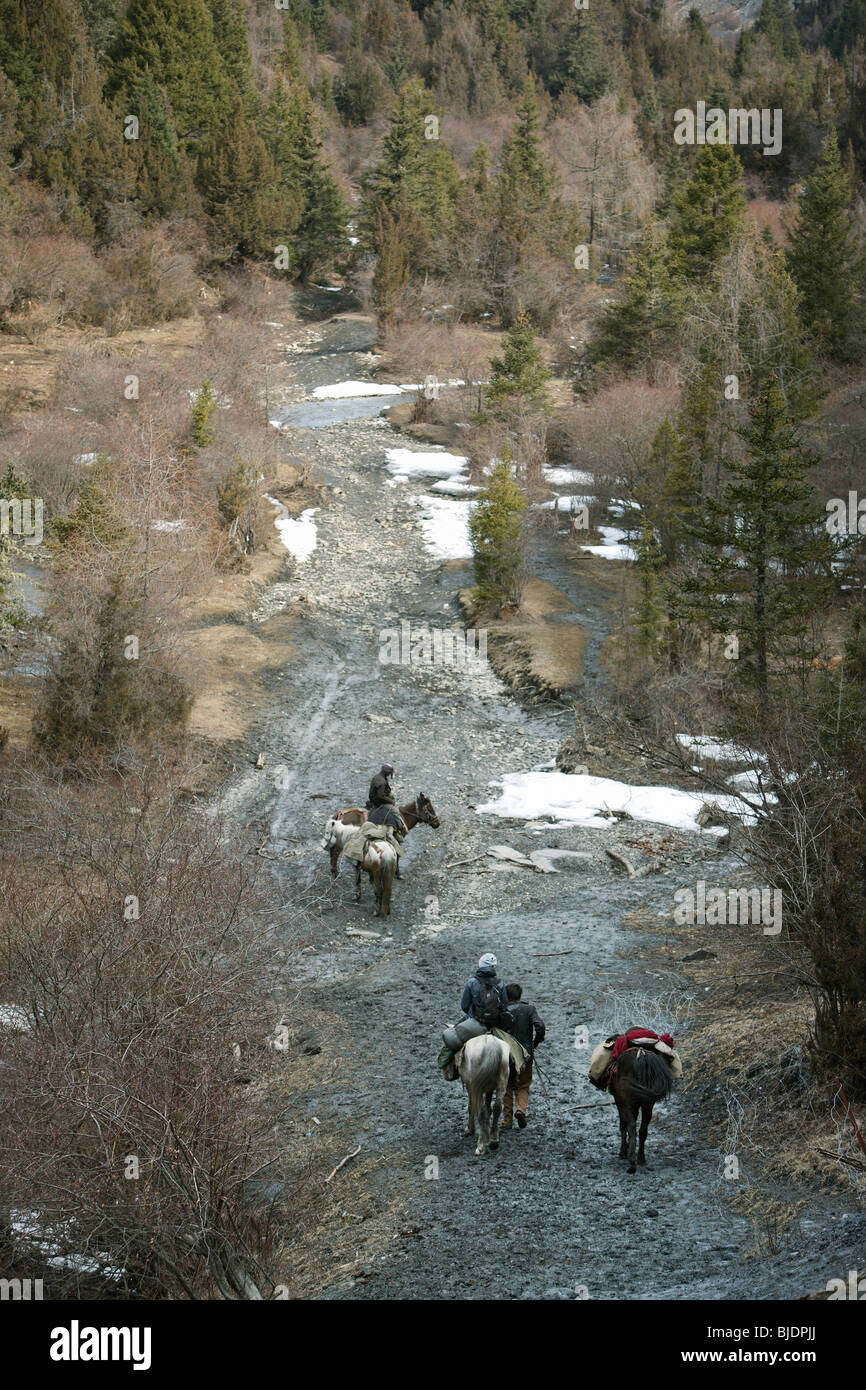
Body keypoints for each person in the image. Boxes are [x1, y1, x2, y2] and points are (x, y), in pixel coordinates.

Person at [502, 983, 545, 1130]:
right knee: (524, 1085)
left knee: (506, 1086)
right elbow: (540, 1026)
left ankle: (507, 1121)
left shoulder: (502, 1011)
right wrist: (535, 1042)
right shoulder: (529, 1009)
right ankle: (520, 1109)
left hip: (505, 1056)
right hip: (525, 1055)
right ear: (519, 996)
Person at [460, 953, 510, 1028]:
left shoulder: (472, 982)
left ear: (480, 965)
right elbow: (505, 1005)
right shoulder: (500, 983)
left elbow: (464, 1006)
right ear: (493, 967)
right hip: (494, 1023)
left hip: (474, 1021)